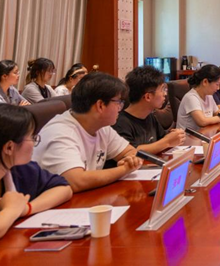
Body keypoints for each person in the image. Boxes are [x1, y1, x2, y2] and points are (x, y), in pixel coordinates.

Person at [32, 72, 143, 193]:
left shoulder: (101, 126)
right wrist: (125, 169)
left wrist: (130, 160)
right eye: (119, 102)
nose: (120, 108)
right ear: (100, 105)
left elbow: (130, 151)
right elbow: (76, 181)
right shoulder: (60, 132)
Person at [0, 105, 73, 239]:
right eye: (32, 137)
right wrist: (11, 210)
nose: (34, 143)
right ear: (9, 147)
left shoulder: (22, 169)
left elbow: (64, 188)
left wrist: (26, 208)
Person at [113, 66, 185, 154]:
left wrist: (174, 136)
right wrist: (167, 142)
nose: (165, 94)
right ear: (148, 97)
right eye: (162, 89)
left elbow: (162, 139)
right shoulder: (120, 123)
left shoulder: (150, 117)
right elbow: (130, 152)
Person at [176, 65, 220, 132]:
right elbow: (202, 121)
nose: (218, 88)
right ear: (205, 82)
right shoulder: (191, 97)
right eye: (217, 84)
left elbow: (217, 113)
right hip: (189, 137)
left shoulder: (209, 96)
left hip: (205, 134)